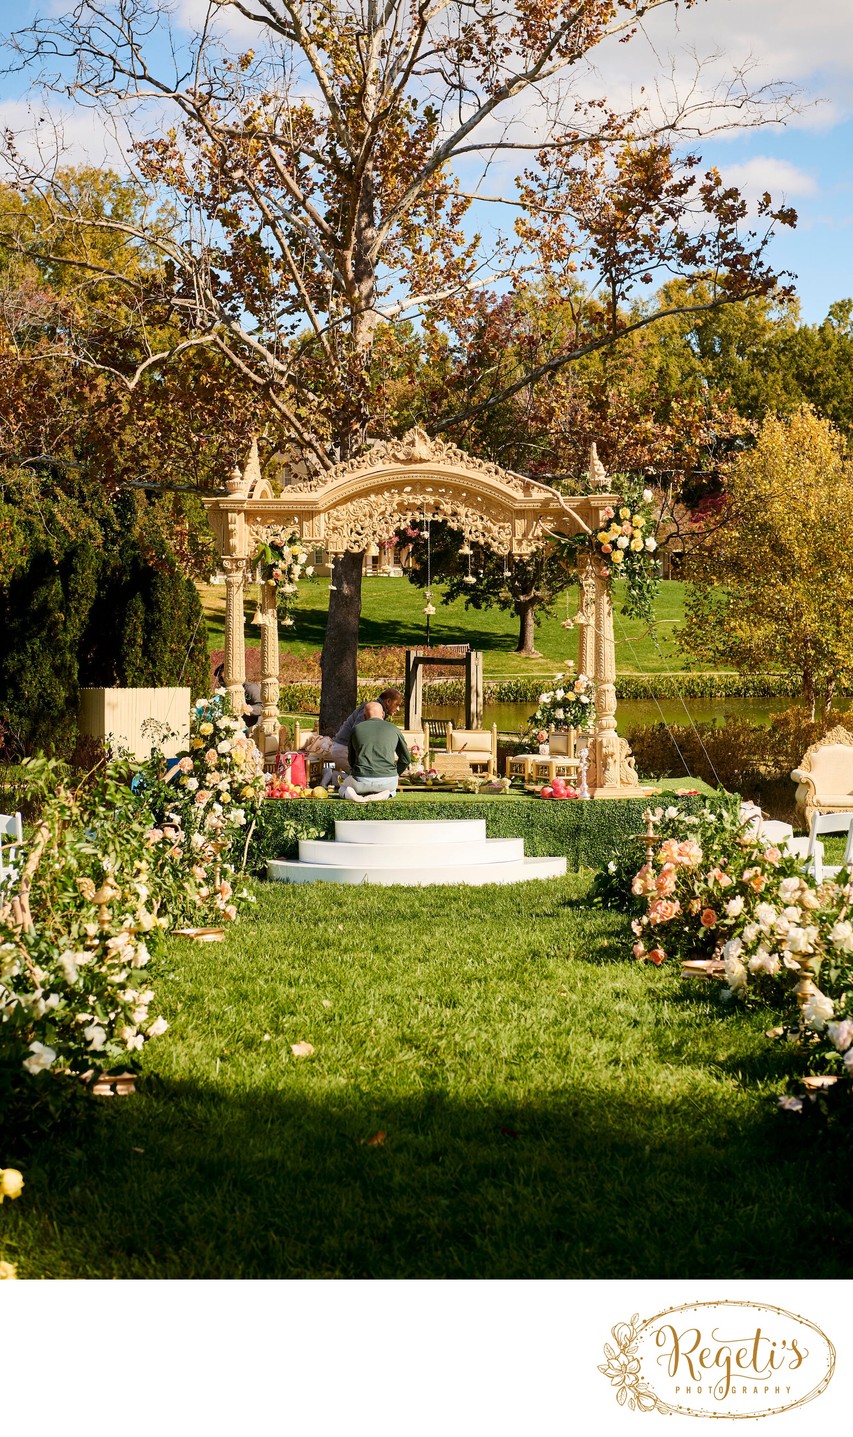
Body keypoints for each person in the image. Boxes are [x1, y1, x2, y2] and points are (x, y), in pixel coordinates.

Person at [339, 700, 411, 801]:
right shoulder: (394, 729)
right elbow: (406, 759)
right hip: (388, 780)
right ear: (383, 714)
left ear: (364, 716)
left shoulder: (356, 729)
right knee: (392, 790)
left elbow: (351, 759)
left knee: (343, 787)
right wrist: (395, 773)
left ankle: (352, 794)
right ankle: (386, 794)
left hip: (361, 779)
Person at [329, 688, 403, 772]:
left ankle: (333, 776)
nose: (398, 709)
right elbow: (357, 734)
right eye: (397, 704)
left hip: (344, 749)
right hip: (344, 750)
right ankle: (331, 776)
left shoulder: (375, 709)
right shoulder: (370, 710)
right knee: (364, 777)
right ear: (388, 701)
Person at [212, 663, 263, 728]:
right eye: (220, 680)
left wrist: (248, 708)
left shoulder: (250, 688)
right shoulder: (225, 691)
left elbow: (262, 707)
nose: (221, 682)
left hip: (252, 728)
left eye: (223, 679)